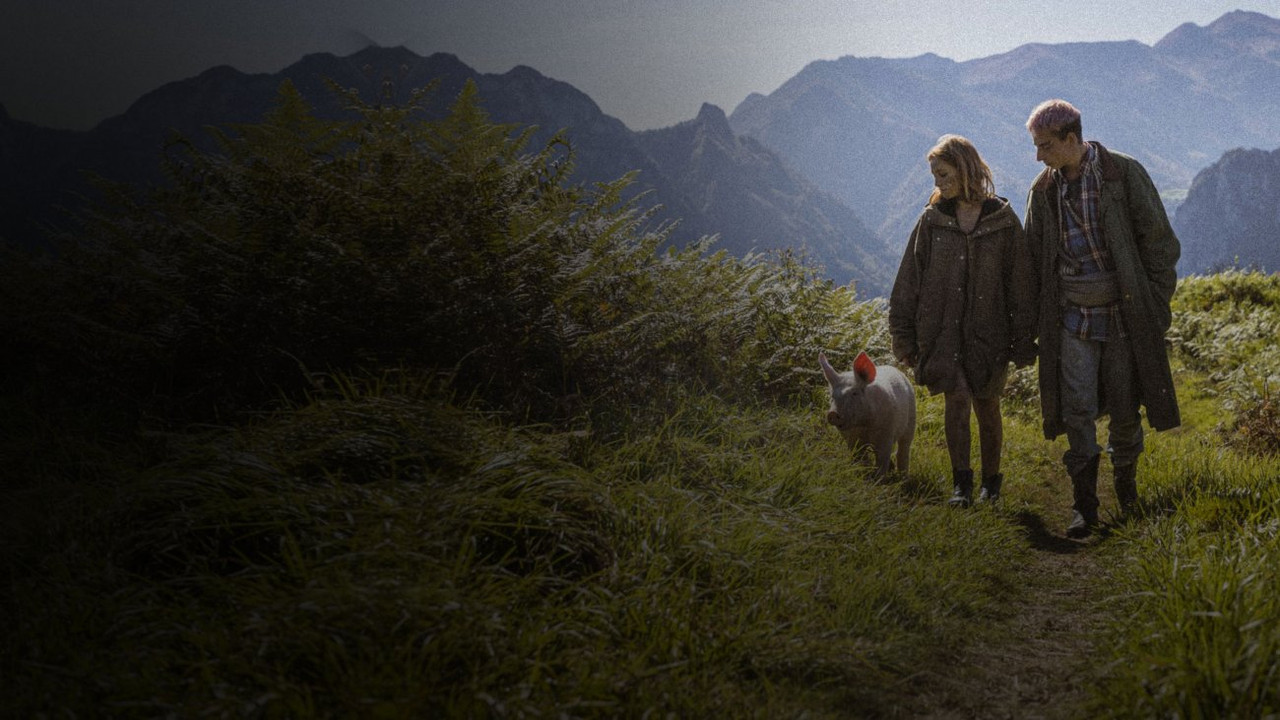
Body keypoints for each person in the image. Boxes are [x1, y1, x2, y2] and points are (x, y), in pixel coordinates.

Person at [1023, 99, 1181, 538]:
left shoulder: (1123, 174)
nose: (1039, 156)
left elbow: (1160, 245)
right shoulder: (1044, 191)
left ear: (1071, 140)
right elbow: (1033, 261)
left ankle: (1127, 497)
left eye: (1045, 146)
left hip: (1124, 312)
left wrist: (1155, 307)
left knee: (1126, 405)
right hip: (1072, 316)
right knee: (1078, 408)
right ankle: (1084, 507)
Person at [890, 134, 1037, 508]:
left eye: (943, 174)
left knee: (987, 405)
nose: (938, 183)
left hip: (990, 334)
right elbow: (909, 280)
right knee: (955, 401)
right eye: (935, 177)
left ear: (964, 167)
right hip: (941, 333)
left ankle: (991, 484)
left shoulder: (1002, 222)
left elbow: (1020, 285)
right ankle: (961, 485)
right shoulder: (932, 220)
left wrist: (1023, 341)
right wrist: (903, 338)